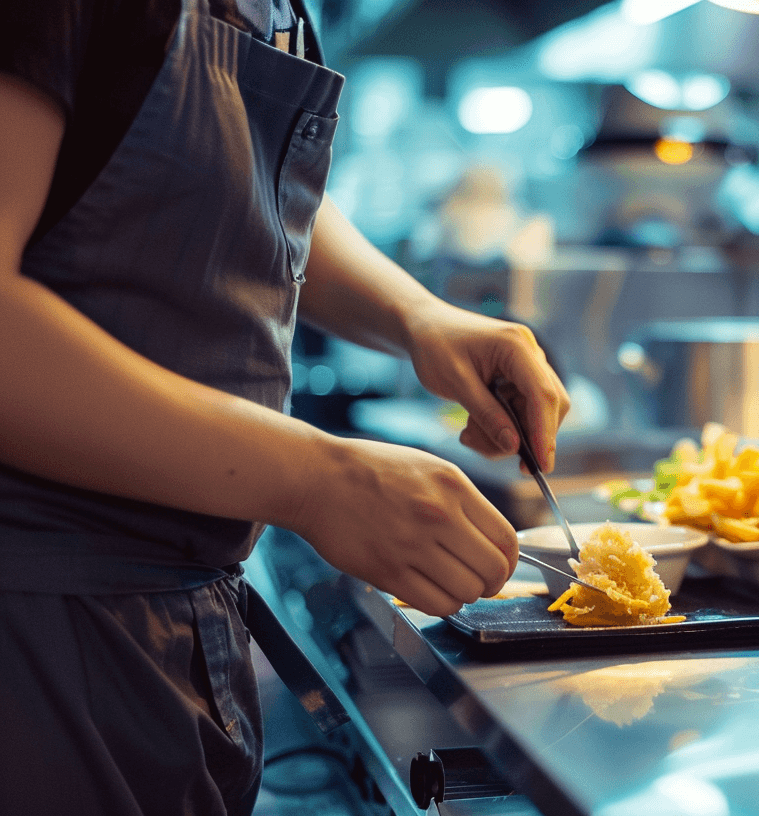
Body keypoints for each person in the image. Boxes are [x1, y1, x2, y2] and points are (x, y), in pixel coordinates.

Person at [0, 1, 569, 813]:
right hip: (37, 631)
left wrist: (420, 319)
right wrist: (315, 478)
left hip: (176, 622)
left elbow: (222, 176)